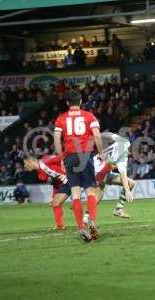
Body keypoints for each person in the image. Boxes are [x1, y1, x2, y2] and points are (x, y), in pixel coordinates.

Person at [54, 90, 103, 242]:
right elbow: (96, 135)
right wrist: (100, 152)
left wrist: (61, 157)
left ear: (68, 103)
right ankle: (92, 221)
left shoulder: (61, 118)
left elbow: (56, 138)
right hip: (85, 155)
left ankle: (81, 228)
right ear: (81, 101)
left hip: (69, 157)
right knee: (90, 191)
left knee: (75, 194)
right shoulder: (89, 116)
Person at [24, 155, 70, 230]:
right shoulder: (40, 174)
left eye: (26, 163)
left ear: (31, 161)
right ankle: (60, 225)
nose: (25, 166)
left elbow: (62, 158)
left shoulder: (46, 161)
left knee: (56, 203)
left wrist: (67, 170)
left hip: (68, 180)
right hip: (59, 184)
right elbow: (52, 178)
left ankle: (84, 220)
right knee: (54, 204)